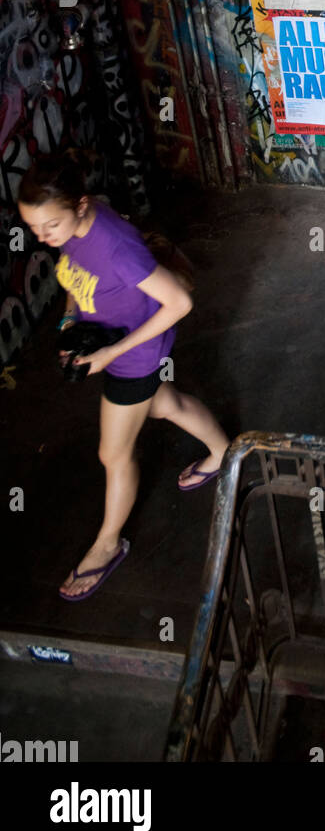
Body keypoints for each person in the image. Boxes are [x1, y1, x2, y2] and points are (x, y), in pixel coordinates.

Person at [17, 150, 230, 601]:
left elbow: (179, 303)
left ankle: (107, 545)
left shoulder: (114, 248)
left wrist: (112, 350)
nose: (42, 237)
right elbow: (77, 280)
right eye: (33, 228)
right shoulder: (78, 220)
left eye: (49, 227)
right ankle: (224, 452)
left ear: (78, 207)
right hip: (115, 346)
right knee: (164, 405)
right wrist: (70, 322)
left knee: (113, 454)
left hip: (134, 358)